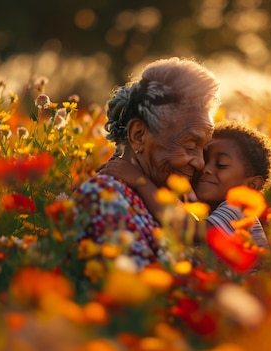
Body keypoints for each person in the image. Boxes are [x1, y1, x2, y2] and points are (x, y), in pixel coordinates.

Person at [71, 57, 220, 270]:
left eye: (203, 150)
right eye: (189, 145)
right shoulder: (103, 195)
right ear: (139, 135)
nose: (200, 163)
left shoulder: (166, 201)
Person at [102, 120, 271, 249]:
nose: (205, 168)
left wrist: (139, 181)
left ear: (252, 185)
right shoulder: (207, 209)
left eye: (221, 164)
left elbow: (189, 231)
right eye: (205, 159)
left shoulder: (239, 210)